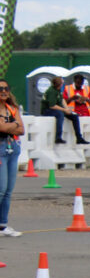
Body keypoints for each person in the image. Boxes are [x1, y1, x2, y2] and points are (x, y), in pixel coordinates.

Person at [0, 79, 25, 236]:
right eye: (0, 89)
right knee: (1, 189)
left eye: (6, 88)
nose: (3, 91)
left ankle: (3, 225)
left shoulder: (12, 108)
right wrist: (13, 125)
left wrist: (11, 126)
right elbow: (1, 127)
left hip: (12, 148)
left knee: (9, 190)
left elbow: (21, 129)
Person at [43, 76, 89, 145]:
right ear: (59, 84)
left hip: (57, 108)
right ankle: (58, 137)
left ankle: (79, 138)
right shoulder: (51, 91)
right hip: (47, 110)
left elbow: (62, 100)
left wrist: (67, 109)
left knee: (74, 116)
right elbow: (52, 106)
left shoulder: (58, 90)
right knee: (60, 114)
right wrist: (64, 110)